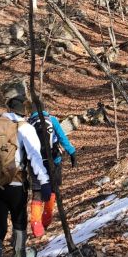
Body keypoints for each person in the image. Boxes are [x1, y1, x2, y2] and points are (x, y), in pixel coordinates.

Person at [0, 95, 51, 257]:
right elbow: (35, 157)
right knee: (19, 221)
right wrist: (44, 182)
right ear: (25, 110)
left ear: (9, 108)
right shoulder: (25, 128)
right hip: (15, 182)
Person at [25, 101, 77, 237]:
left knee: (37, 193)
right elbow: (62, 138)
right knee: (53, 190)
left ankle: (36, 226)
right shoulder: (52, 120)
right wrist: (72, 152)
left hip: (36, 163)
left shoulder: (28, 124)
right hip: (54, 161)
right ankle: (46, 220)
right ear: (45, 108)